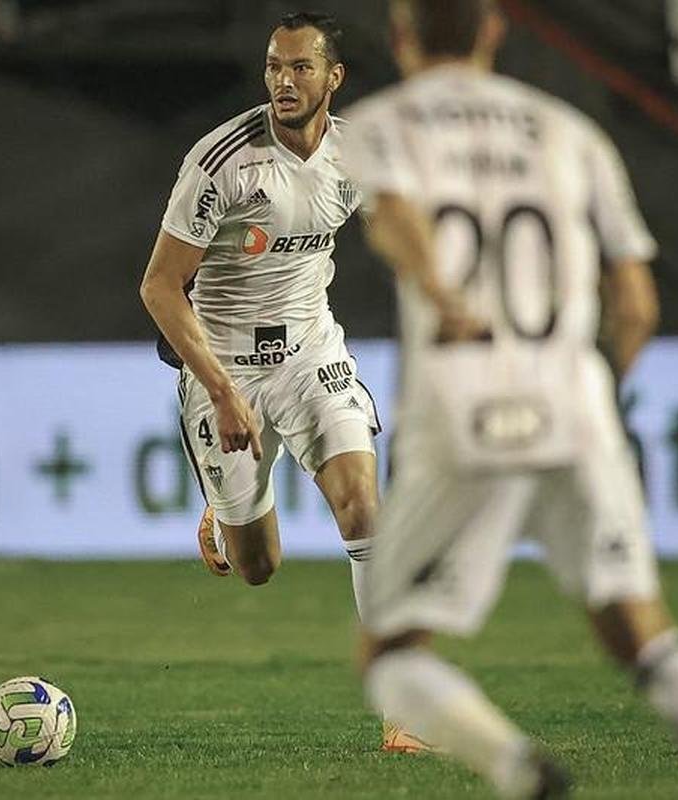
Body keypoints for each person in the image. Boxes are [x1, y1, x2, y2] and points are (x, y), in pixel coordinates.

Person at [340, 1, 678, 797]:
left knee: (393, 655)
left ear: (401, 36)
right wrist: (594, 388)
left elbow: (394, 217)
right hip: (574, 405)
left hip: (459, 409)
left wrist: (441, 294)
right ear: (492, 31)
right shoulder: (569, 132)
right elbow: (637, 302)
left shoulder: (379, 123)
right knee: (644, 637)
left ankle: (519, 770)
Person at [140, 11, 425, 754]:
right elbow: (162, 288)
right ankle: (224, 507)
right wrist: (224, 393)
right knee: (257, 567)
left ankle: (402, 714)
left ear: (333, 78)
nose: (282, 80)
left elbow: (391, 224)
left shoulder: (354, 153)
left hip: (310, 353)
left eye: (299, 67)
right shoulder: (221, 160)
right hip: (222, 366)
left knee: (363, 507)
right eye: (273, 66)